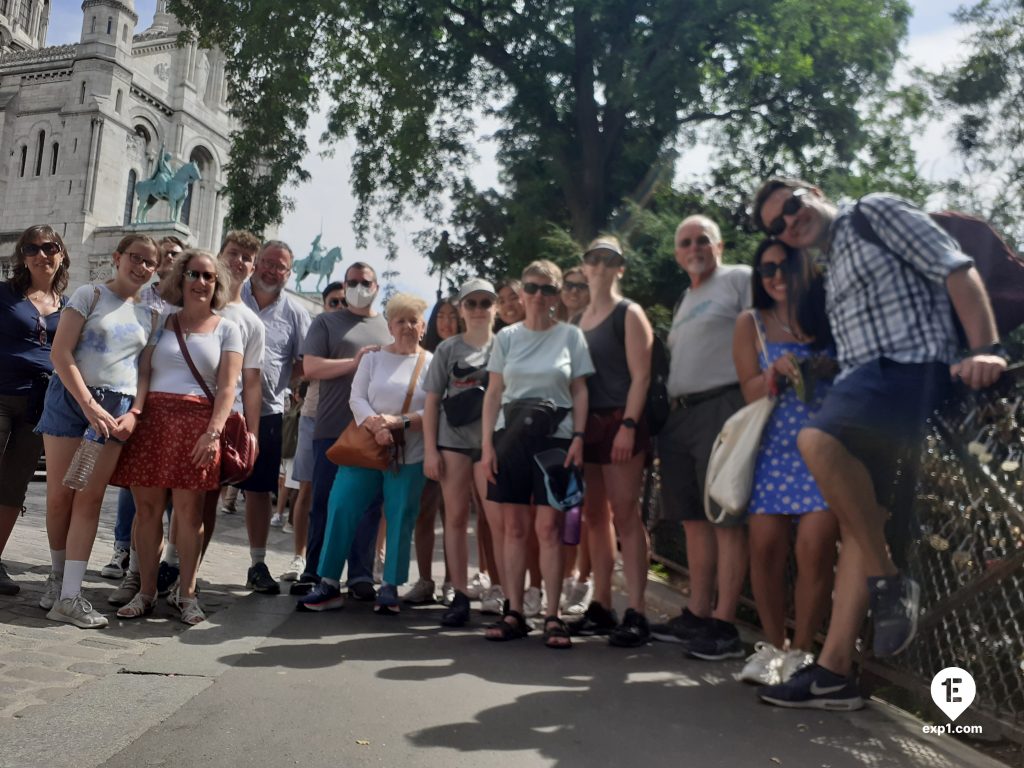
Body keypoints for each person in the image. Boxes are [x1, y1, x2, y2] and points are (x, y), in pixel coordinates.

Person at [750, 179, 1006, 709]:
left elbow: (954, 266)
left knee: (814, 440)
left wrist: (987, 348)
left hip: (906, 371)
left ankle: (889, 578)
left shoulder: (874, 211)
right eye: (777, 225)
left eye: (793, 207)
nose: (790, 224)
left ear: (813, 191)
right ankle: (833, 673)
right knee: (860, 519)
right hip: (867, 383)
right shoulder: (831, 261)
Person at [110, 250, 243, 624]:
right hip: (153, 422)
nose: (201, 282)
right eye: (194, 274)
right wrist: (136, 413)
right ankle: (146, 592)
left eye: (209, 277)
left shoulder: (227, 328)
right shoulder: (160, 322)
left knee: (189, 514)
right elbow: (144, 375)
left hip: (198, 425)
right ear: (181, 278)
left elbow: (228, 389)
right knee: (147, 512)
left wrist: (213, 432)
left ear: (217, 285)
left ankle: (187, 595)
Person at [36, 234, 161, 627]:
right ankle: (58, 581)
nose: (141, 267)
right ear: (118, 257)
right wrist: (88, 404)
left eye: (150, 262)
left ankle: (71, 596)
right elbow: (61, 352)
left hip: (114, 409)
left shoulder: (150, 314)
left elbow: (144, 369)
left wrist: (136, 412)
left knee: (88, 501)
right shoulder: (89, 294)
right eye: (135, 258)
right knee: (59, 497)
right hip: (73, 401)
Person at [732, 239, 839, 685]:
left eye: (784, 265)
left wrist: (822, 369)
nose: (775, 275)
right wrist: (773, 374)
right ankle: (773, 647)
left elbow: (852, 370)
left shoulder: (830, 316)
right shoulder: (750, 323)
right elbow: (749, 392)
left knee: (814, 550)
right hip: (772, 450)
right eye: (766, 268)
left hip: (827, 449)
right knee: (766, 549)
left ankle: (803, 651)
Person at [650, 215, 751, 660]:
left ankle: (724, 624)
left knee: (725, 518)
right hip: (681, 415)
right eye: (685, 242)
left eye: (702, 240)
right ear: (677, 254)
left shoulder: (738, 279)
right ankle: (697, 611)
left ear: (719, 245)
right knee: (693, 519)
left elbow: (763, 331)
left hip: (722, 407)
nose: (694, 247)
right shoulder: (685, 299)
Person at [481, 260, 593, 648]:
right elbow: (493, 394)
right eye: (531, 287)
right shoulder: (506, 337)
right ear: (522, 291)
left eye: (547, 289)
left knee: (549, 529)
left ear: (557, 294)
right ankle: (513, 610)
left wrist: (579, 435)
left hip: (556, 440)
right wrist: (486, 449)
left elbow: (579, 390)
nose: (537, 296)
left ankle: (552, 615)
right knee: (513, 528)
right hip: (508, 438)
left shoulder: (570, 337)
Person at [297, 293, 431, 615]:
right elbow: (356, 398)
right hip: (366, 449)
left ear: (423, 327)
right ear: (389, 325)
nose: (407, 326)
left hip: (409, 453)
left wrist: (400, 423)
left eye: (413, 320)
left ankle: (390, 586)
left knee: (400, 517)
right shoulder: (372, 359)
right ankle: (328, 582)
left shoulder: (432, 362)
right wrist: (377, 426)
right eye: (400, 320)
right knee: (341, 506)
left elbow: (434, 409)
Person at [569, 236, 655, 647]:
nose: (600, 266)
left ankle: (637, 610)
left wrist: (630, 425)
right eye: (594, 259)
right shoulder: (577, 321)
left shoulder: (629, 313)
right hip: (588, 427)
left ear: (620, 267)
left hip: (621, 421)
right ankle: (601, 605)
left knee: (625, 515)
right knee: (593, 518)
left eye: (609, 260)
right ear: (585, 266)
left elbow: (642, 375)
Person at [293, 262, 392, 602]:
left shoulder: (388, 328)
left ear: (376, 287)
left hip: (372, 431)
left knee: (368, 505)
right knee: (323, 501)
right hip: (332, 427)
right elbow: (310, 367)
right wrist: (355, 362)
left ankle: (361, 574)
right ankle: (315, 570)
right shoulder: (326, 322)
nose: (358, 286)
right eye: (352, 281)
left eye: (365, 281)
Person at [423, 278, 506, 626]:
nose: (478, 310)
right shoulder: (448, 350)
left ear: (495, 307)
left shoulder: (507, 345)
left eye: (485, 302)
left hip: (492, 443)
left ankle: (503, 591)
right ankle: (458, 592)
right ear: (461, 309)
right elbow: (430, 401)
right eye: (470, 303)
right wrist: (430, 450)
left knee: (498, 521)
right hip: (453, 441)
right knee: (455, 518)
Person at [103, 234, 184, 584]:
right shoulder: (141, 297)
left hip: (167, 400)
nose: (169, 260)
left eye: (175, 255)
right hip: (135, 397)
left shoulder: (185, 302)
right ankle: (123, 549)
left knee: (165, 487)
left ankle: (161, 559)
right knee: (132, 484)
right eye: (164, 255)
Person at [0, 226, 69, 596]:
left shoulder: (69, 305)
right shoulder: (4, 295)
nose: (41, 254)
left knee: (13, 484)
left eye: (49, 247)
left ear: (61, 253)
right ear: (22, 257)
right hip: (0, 391)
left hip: (40, 403)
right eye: (32, 248)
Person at [238, 240, 311, 594]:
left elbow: (305, 360)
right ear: (256, 263)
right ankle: (176, 562)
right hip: (220, 406)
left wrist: (280, 378)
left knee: (258, 490)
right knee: (202, 489)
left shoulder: (296, 313)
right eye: (266, 262)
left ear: (288, 272)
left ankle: (257, 562)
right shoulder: (231, 296)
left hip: (267, 411)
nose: (271, 270)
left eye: (280, 266)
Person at [281, 281, 347, 583]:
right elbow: (306, 369)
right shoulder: (319, 331)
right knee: (307, 488)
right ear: (324, 305)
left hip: (350, 421)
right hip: (314, 415)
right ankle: (300, 555)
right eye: (334, 302)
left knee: (347, 493)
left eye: (344, 302)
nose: (340, 307)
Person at [405, 297, 460, 605]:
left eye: (453, 316)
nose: (447, 322)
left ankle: (453, 582)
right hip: (429, 443)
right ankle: (425, 580)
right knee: (424, 515)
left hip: (462, 446)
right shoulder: (428, 357)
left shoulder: (472, 352)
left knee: (454, 515)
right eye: (441, 317)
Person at [557, 265, 593, 614]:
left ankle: (583, 578)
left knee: (587, 511)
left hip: (590, 425)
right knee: (564, 509)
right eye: (567, 285)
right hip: (557, 429)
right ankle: (566, 575)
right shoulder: (556, 329)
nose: (573, 291)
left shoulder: (593, 326)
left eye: (581, 286)